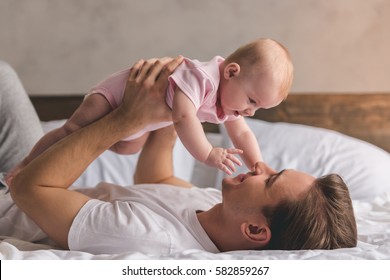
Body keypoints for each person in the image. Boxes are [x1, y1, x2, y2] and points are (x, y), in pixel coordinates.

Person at [0, 58, 356, 255]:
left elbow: (31, 188)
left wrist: (126, 119)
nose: (259, 167)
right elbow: (156, 181)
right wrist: (178, 101)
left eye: (270, 179)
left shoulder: (149, 239)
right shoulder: (211, 211)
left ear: (254, 230)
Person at [8, 38, 293, 182]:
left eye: (259, 108)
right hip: (114, 97)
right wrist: (208, 153)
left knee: (127, 148)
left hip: (136, 122)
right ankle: (24, 165)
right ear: (231, 72)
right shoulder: (202, 78)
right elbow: (183, 117)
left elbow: (242, 135)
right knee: (71, 132)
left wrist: (257, 162)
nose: (250, 112)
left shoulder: (231, 106)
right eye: (252, 101)